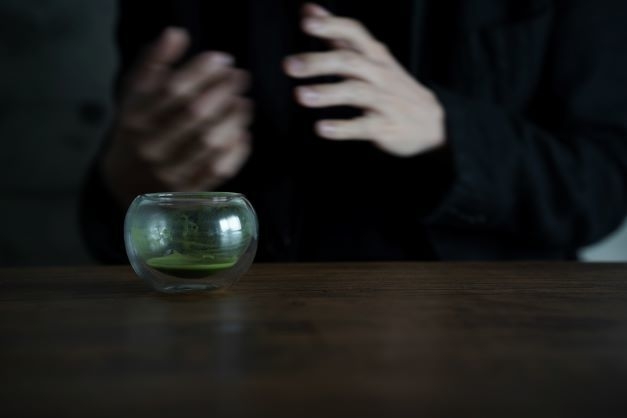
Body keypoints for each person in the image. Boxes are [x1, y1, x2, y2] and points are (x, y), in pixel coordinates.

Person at [80, 0, 627, 263]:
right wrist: (128, 183)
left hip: (492, 349)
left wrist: (445, 130)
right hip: (238, 341)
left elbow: (603, 187)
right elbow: (121, 212)